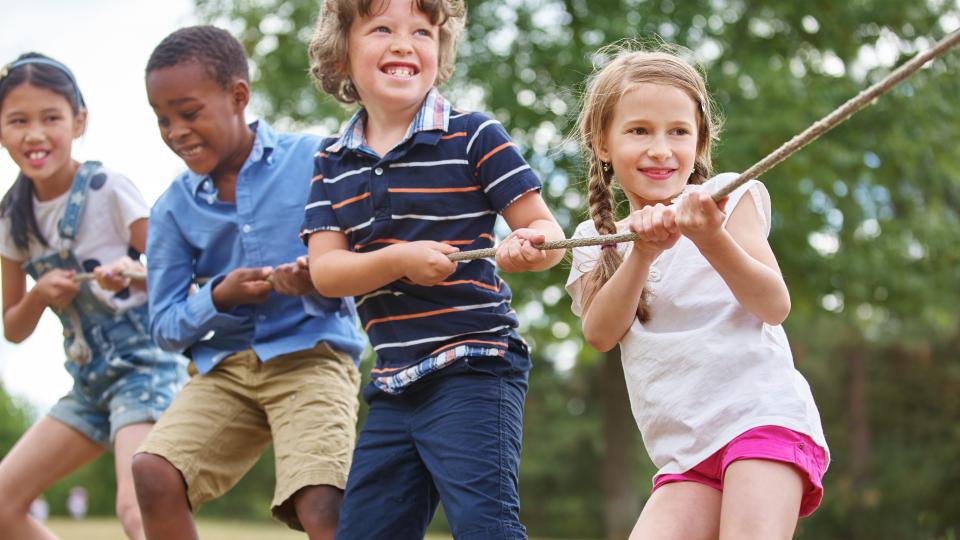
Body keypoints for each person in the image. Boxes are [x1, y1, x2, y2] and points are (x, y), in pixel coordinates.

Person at [303, 1, 565, 538]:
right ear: (340, 56)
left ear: (439, 52)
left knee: (483, 525)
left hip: (474, 366)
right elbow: (326, 271)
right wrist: (399, 260)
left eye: (421, 31)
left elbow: (549, 233)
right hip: (393, 383)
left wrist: (529, 244)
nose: (404, 43)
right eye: (382, 29)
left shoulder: (473, 135)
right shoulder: (331, 161)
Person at [564, 47, 829, 539]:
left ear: (700, 141)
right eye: (639, 130)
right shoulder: (595, 240)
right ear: (602, 142)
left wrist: (710, 237)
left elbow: (774, 304)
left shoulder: (726, 198)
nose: (661, 148)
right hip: (684, 453)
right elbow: (600, 334)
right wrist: (641, 254)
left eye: (678, 131)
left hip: (761, 419)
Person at [130, 26, 366, 540]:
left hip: (313, 355)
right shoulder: (172, 208)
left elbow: (365, 265)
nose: (176, 131)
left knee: (320, 498)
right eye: (162, 120)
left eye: (189, 113)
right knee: (152, 471)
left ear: (238, 96)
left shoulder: (316, 160)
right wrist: (219, 296)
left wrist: (318, 279)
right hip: (228, 369)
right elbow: (165, 326)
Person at [0, 53, 187, 540]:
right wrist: (39, 294)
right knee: (2, 503)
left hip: (144, 369)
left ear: (78, 121)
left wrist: (134, 274)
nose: (34, 134)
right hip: (88, 384)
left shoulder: (108, 190)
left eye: (50, 118)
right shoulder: (12, 220)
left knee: (135, 506)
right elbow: (13, 330)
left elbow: (180, 272)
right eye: (18, 121)